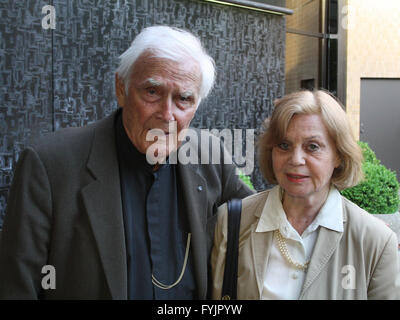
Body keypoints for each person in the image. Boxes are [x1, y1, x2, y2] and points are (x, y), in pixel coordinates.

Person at [0, 26, 253, 299]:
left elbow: (266, 221)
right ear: (121, 88)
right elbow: (17, 286)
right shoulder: (50, 164)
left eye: (184, 99)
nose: (167, 115)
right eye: (152, 91)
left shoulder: (210, 155)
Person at [211, 90, 400, 300]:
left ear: (338, 155)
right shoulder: (232, 222)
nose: (296, 159)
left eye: (312, 147)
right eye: (284, 145)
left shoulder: (375, 242)